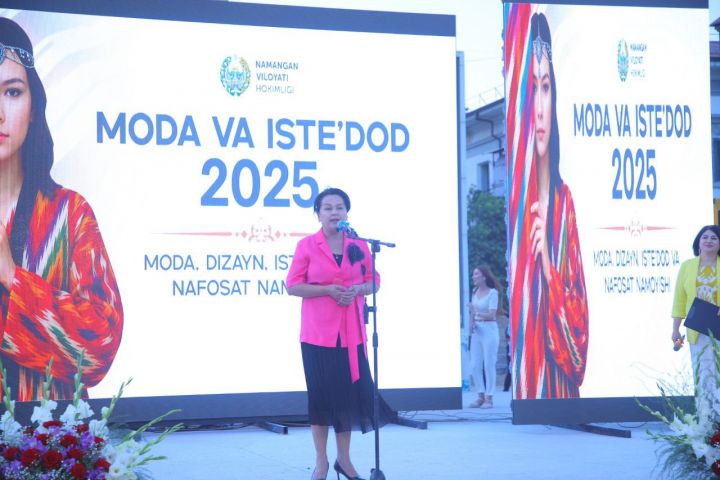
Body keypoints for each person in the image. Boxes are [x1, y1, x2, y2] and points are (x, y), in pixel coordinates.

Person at [0, 18, 123, 400]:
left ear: (34, 106)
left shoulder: (70, 214)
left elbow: (100, 347)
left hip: (47, 432)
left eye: (12, 92)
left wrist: (11, 276)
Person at [507, 11, 589, 399]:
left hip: (560, 391)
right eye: (530, 89)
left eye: (545, 87)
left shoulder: (563, 201)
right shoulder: (516, 207)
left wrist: (547, 268)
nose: (539, 107)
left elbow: (579, 347)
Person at [286, 187, 394, 480]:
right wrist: (327, 290)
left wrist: (358, 289)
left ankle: (344, 460)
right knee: (320, 399)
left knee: (345, 399)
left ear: (347, 212)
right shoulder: (307, 245)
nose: (334, 212)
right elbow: (292, 285)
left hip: (351, 333)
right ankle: (321, 462)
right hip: (317, 335)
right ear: (318, 214)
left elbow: (374, 281)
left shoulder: (358, 244)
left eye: (340, 207)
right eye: (328, 208)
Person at [671, 225, 720, 395]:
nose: (709, 240)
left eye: (714, 238)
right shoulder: (687, 266)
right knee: (702, 376)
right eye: (705, 237)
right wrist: (675, 329)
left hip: (718, 327)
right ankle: (705, 411)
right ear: (698, 242)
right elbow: (680, 299)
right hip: (697, 330)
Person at [467, 265, 502, 408]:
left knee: (488, 364)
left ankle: (489, 397)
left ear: (484, 276)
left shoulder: (493, 293)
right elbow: (472, 312)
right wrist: (471, 325)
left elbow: (491, 315)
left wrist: (475, 312)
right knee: (474, 364)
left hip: (489, 330)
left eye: (476, 274)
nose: (473, 277)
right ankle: (480, 395)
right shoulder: (474, 291)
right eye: (473, 274)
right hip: (477, 331)